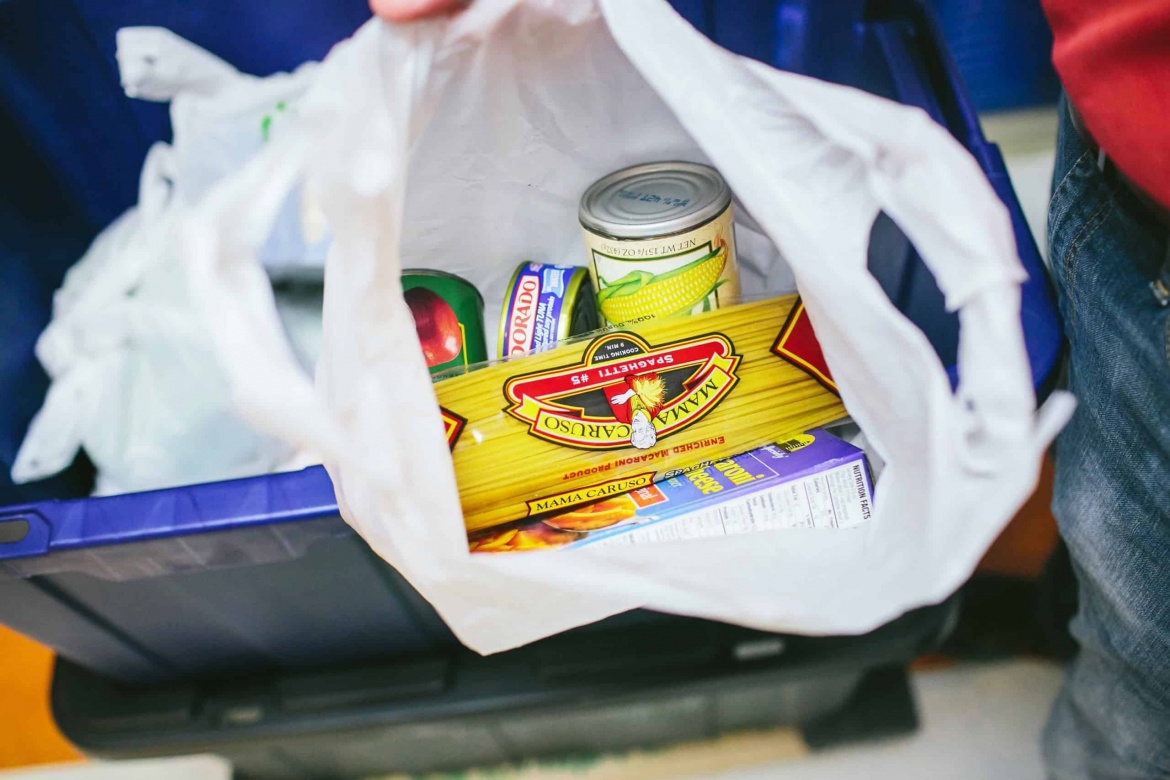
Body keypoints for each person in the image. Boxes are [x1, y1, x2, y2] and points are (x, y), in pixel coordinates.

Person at [370, 1, 1170, 776]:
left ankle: (1086, 675)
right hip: (1127, 144)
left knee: (1143, 640)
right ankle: (1065, 609)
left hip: (1140, 165)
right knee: (1112, 531)